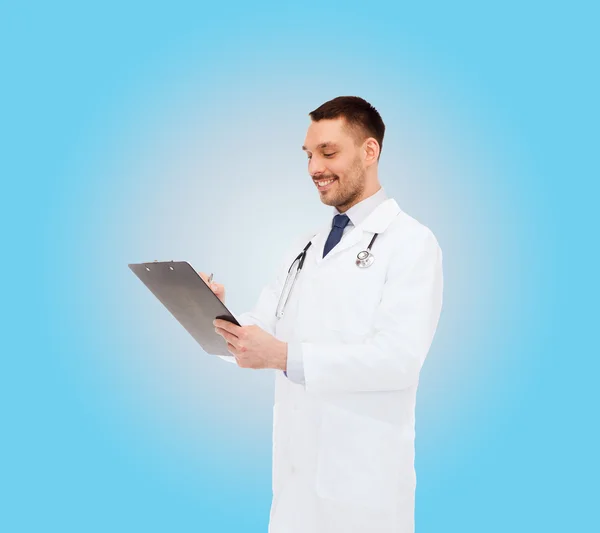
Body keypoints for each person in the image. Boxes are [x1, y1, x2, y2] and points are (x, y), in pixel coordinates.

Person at [199, 96, 443, 533]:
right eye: (309, 155)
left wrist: (285, 357)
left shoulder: (411, 243)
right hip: (295, 491)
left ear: (370, 151)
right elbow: (262, 330)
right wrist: (210, 312)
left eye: (328, 153)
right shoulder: (304, 246)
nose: (314, 168)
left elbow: (399, 361)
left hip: (365, 496)